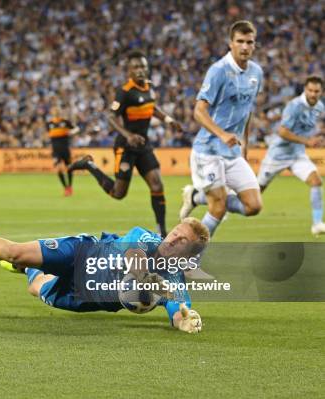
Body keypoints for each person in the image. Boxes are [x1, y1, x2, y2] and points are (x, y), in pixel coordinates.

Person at [0, 218, 209, 334]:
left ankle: (29, 271)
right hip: (82, 251)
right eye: (174, 233)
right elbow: (132, 258)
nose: (172, 240)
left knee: (37, 287)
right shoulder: (145, 238)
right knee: (15, 251)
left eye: (181, 241)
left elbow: (177, 310)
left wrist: (186, 319)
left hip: (85, 298)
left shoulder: (174, 281)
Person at [69, 50, 182, 236]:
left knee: (157, 185)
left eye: (143, 66)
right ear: (129, 70)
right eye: (136, 67)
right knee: (118, 193)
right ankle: (89, 165)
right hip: (126, 147)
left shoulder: (149, 88)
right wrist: (128, 135)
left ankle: (162, 232)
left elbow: (152, 107)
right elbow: (111, 116)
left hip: (143, 146)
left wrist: (169, 120)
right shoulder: (124, 92)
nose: (140, 70)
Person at [179, 21, 264, 239]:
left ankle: (196, 197)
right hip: (208, 150)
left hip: (232, 153)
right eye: (240, 42)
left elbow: (247, 112)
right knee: (218, 206)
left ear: (254, 45)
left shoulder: (256, 72)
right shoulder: (218, 71)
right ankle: (190, 260)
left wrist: (245, 146)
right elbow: (199, 111)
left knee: (253, 206)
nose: (245, 47)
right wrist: (222, 134)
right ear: (231, 43)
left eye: (249, 42)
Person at [257, 76, 325, 235]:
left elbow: (306, 128)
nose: (313, 94)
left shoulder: (319, 107)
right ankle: (219, 206)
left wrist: (315, 138)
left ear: (321, 92)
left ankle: (317, 224)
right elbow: (282, 132)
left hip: (297, 155)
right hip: (277, 156)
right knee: (254, 196)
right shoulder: (294, 106)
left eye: (316, 91)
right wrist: (306, 141)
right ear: (305, 90)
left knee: (316, 181)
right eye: (310, 90)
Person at [46, 105, 78, 196]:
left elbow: (76, 129)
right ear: (52, 113)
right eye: (54, 110)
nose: (55, 112)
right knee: (59, 169)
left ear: (59, 112)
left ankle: (70, 186)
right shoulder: (49, 124)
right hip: (56, 150)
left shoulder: (65, 122)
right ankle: (66, 188)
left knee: (69, 168)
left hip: (65, 148)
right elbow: (49, 135)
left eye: (57, 110)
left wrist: (70, 132)